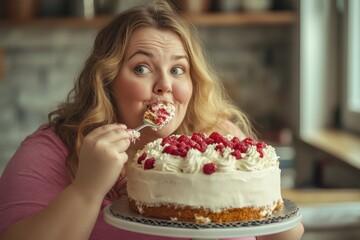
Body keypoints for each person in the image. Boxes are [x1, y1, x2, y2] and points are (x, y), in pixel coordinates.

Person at [0, 1, 304, 239]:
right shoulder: (50, 151)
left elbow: (287, 235)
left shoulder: (219, 141)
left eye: (177, 70)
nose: (165, 85)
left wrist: (251, 184)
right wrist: (86, 189)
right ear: (107, 81)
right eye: (142, 68)